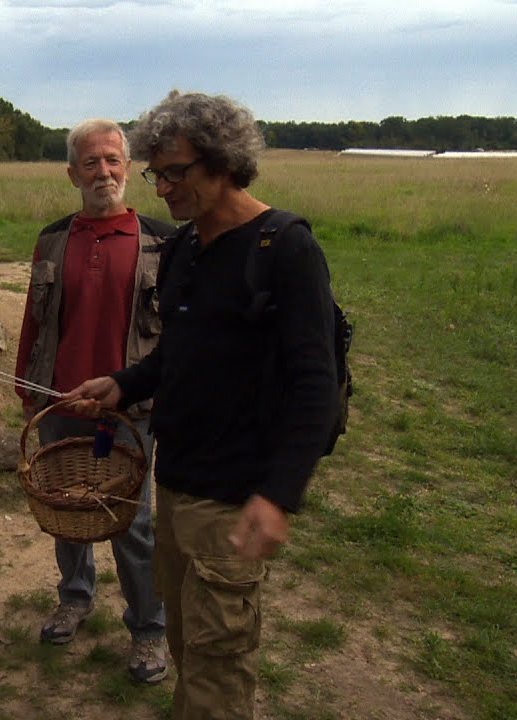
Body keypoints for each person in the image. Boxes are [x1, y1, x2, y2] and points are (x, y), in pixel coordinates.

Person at [67, 92, 339, 719]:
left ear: (223, 162)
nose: (161, 188)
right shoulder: (187, 249)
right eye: (155, 173)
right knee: (190, 651)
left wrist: (278, 496)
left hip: (233, 501)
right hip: (177, 489)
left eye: (176, 172)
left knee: (218, 670)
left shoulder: (285, 248)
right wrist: (123, 384)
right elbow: (176, 356)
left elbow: (315, 387)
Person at [15, 118, 175, 684]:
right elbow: (35, 322)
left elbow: (177, 336)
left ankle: (149, 631)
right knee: (65, 511)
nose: (103, 171)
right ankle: (74, 597)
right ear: (71, 173)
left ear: (127, 167)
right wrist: (25, 387)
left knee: (133, 524)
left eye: (112, 160)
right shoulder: (53, 239)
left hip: (130, 413)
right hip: (60, 405)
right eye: (90, 162)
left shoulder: (163, 241)